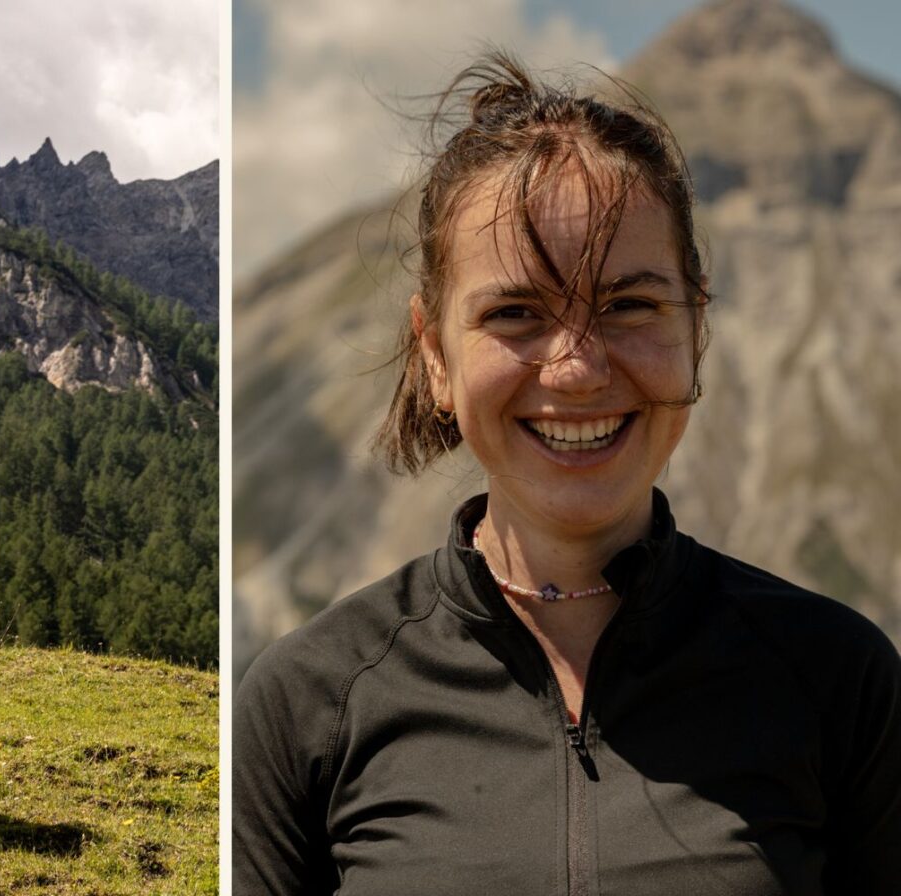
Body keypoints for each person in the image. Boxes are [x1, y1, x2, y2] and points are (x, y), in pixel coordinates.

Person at [232, 54, 901, 895]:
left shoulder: (840, 680)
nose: (577, 369)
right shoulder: (309, 698)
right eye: (516, 314)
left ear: (698, 326)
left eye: (629, 305)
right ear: (435, 353)